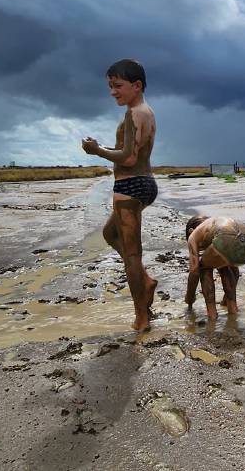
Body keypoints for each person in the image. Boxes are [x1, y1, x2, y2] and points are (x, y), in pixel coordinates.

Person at [82, 59, 158, 331]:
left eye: (118, 86)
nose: (113, 92)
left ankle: (141, 317)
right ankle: (146, 281)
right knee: (109, 234)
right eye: (110, 87)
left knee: (133, 255)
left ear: (136, 86)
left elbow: (128, 157)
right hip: (145, 182)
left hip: (129, 185)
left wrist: (97, 150)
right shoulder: (146, 111)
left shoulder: (134, 114)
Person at [184, 215, 245, 320]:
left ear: (191, 231)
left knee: (203, 268)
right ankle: (233, 309)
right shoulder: (213, 226)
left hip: (227, 236)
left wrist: (189, 299)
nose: (201, 248)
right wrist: (227, 299)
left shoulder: (193, 235)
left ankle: (212, 315)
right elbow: (235, 272)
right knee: (224, 266)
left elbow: (194, 271)